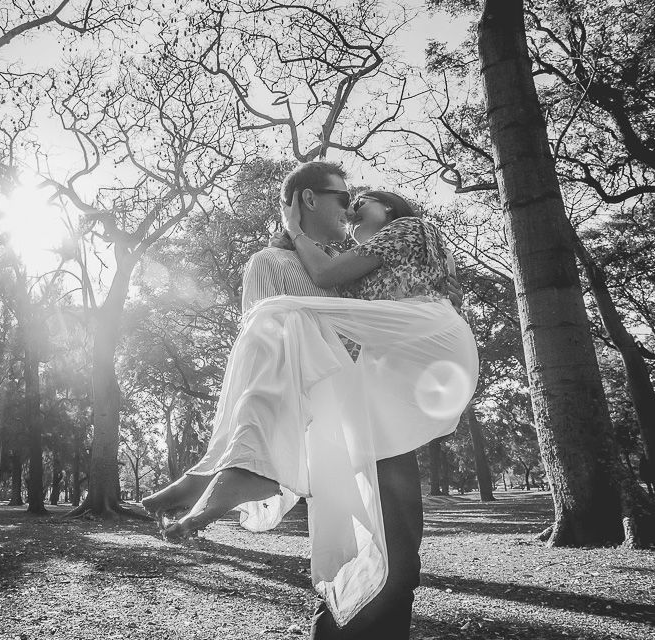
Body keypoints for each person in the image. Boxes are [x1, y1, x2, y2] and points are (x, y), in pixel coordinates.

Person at [143, 161, 478, 635]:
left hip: (378, 417)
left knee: (400, 562)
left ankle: (233, 471)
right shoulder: (270, 262)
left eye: (359, 201)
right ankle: (234, 468)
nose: (351, 208)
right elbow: (265, 362)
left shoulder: (351, 265)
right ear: (308, 199)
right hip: (341, 423)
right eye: (344, 199)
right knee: (357, 560)